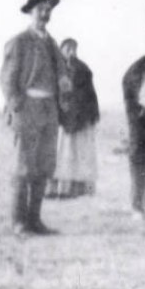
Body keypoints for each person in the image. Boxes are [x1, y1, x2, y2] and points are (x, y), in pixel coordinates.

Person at [0, 0, 67, 235]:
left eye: (48, 8)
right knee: (23, 166)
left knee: (44, 165)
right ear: (30, 12)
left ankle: (35, 221)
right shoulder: (19, 42)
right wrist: (17, 107)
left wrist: (64, 82)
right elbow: (7, 80)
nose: (45, 13)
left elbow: (61, 72)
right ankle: (19, 223)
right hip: (27, 109)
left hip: (49, 110)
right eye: (40, 8)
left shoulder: (51, 43)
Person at [49, 38, 100, 198]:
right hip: (61, 120)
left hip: (80, 118)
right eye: (67, 49)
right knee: (60, 154)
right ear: (61, 50)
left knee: (78, 154)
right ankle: (56, 189)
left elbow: (90, 95)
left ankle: (77, 189)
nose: (71, 52)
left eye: (73, 49)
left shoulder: (83, 69)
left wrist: (90, 116)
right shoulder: (54, 69)